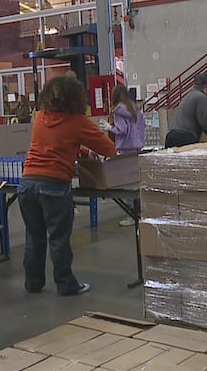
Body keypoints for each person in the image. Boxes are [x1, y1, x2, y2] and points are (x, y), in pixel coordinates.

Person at [20, 75, 116, 296]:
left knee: (34, 237)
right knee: (58, 238)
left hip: (27, 184)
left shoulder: (40, 117)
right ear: (76, 97)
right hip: (53, 185)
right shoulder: (77, 121)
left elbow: (53, 145)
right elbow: (109, 149)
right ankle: (65, 284)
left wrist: (81, 151)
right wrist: (89, 150)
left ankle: (33, 283)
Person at [99, 85, 146, 227]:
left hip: (125, 150)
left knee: (126, 185)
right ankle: (140, 211)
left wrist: (109, 127)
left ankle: (131, 214)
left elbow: (122, 130)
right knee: (136, 183)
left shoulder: (118, 110)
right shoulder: (134, 109)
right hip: (137, 148)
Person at [164, 73, 207, 148]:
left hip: (170, 136)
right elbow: (203, 120)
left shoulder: (187, 96)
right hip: (185, 137)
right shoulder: (201, 97)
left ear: (193, 84)